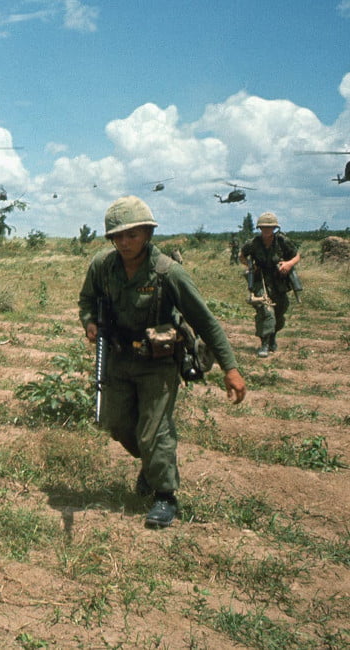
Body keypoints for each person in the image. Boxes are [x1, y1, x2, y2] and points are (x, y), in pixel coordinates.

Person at [78, 196, 246, 529]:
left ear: (147, 233)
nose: (125, 242)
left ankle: (165, 495)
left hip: (158, 363)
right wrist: (89, 322)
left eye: (132, 234)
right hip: (118, 359)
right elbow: (87, 300)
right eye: (118, 236)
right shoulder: (102, 266)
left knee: (153, 432)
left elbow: (206, 321)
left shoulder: (168, 272)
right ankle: (153, 464)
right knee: (117, 425)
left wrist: (231, 369)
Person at [239, 212, 301, 358]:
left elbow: (297, 255)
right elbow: (241, 255)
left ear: (274, 228)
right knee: (265, 311)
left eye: (270, 227)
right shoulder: (253, 243)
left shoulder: (282, 241)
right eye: (264, 227)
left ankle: (272, 337)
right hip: (260, 280)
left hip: (279, 281)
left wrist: (288, 264)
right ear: (259, 228)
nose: (267, 230)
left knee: (280, 311)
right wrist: (250, 266)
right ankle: (264, 344)